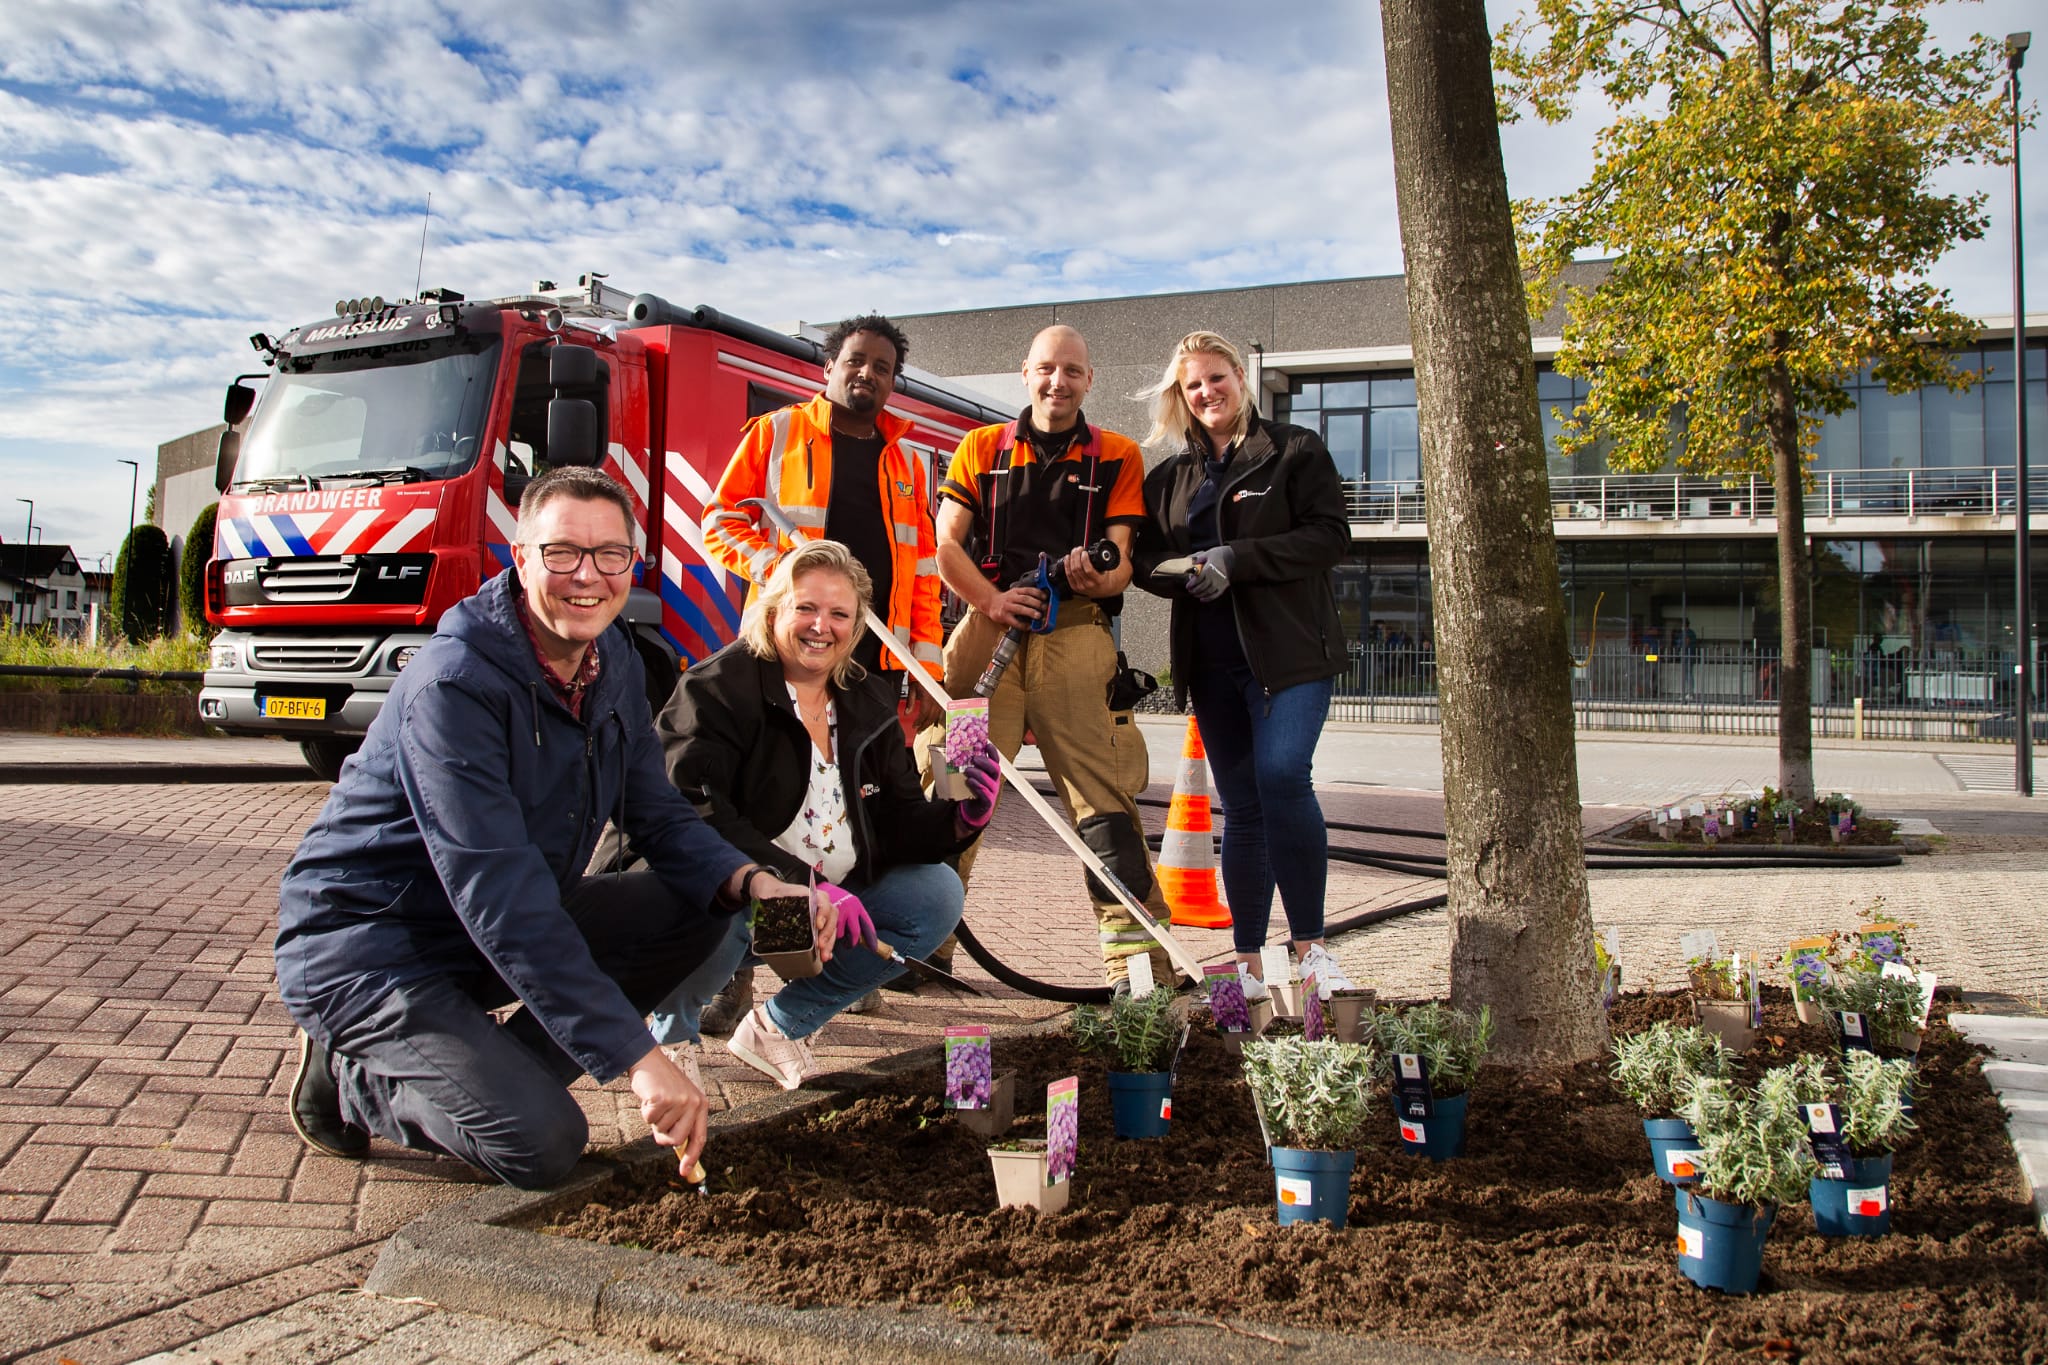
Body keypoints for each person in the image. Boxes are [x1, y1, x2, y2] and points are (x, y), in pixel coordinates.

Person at [274, 467, 813, 1190]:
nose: (586, 576)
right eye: (562, 553)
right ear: (521, 558)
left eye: (609, 555)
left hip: (479, 927)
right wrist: (636, 1057)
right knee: (544, 1144)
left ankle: (481, 1073)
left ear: (631, 564)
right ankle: (351, 1079)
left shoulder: (612, 657)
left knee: (701, 909)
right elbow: (502, 896)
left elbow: (655, 809)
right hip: (369, 943)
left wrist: (756, 882)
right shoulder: (456, 684)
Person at [642, 540, 999, 1088]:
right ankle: (670, 1034)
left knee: (936, 895)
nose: (820, 626)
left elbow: (899, 820)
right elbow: (694, 812)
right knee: (720, 899)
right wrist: (788, 883)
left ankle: (778, 1026)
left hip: (818, 902)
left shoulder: (867, 699)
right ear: (774, 609)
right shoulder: (717, 689)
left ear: (856, 626)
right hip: (745, 892)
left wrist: (959, 819)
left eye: (839, 614)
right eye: (805, 608)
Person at [698, 314, 945, 1024]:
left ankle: (839, 961)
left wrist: (921, 670)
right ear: (828, 368)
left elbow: (923, 571)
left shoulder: (902, 463)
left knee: (852, 817)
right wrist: (780, 569)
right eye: (856, 361)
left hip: (870, 670)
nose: (868, 375)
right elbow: (719, 522)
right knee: (785, 814)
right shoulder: (775, 435)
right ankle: (745, 975)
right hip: (790, 654)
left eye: (883, 368)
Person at [931, 324, 1174, 989]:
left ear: (1089, 380)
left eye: (1071, 370)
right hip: (985, 643)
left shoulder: (1118, 454)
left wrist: (1095, 574)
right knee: (951, 786)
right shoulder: (980, 448)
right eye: (1046, 368)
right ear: (1025, 372)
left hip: (1076, 642)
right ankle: (924, 946)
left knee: (1103, 802)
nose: (1057, 381)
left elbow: (1121, 561)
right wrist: (992, 600)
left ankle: (1137, 968)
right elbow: (945, 544)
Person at [1131, 331, 1354, 999]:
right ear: (1180, 396)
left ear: (1239, 377)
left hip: (1291, 659)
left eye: (1216, 377)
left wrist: (1237, 562)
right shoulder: (1170, 479)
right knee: (1244, 808)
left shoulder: (1293, 451)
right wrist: (1181, 573)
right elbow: (1139, 558)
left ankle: (1311, 949)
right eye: (1192, 384)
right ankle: (1251, 964)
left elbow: (1329, 536)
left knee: (1283, 773)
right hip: (1212, 664)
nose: (1207, 392)